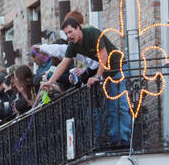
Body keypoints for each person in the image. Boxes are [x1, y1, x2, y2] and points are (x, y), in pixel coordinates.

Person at [45, 15, 131, 149]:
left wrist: (97, 76)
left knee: (120, 105)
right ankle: (116, 140)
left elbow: (104, 55)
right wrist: (50, 82)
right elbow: (63, 64)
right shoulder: (73, 45)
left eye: (70, 32)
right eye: (66, 33)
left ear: (78, 28)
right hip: (106, 73)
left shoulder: (92, 33)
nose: (69, 36)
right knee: (111, 108)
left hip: (118, 68)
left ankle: (125, 140)